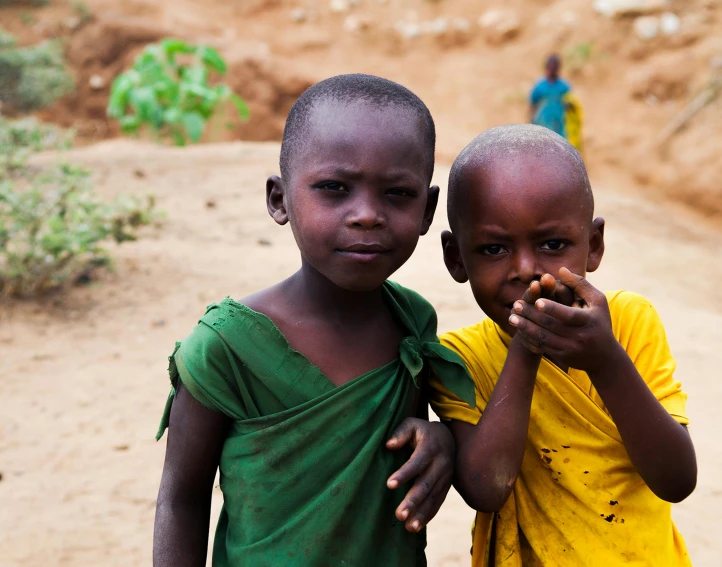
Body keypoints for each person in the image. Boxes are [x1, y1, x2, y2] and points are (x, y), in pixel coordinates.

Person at [153, 74, 475, 567]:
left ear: (429, 210)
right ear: (279, 200)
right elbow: (181, 500)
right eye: (333, 188)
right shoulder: (227, 346)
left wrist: (442, 438)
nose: (367, 214)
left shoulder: (412, 324)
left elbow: (408, 441)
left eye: (397, 194)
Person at [431, 124, 697, 566]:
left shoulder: (629, 323)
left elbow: (676, 479)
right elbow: (485, 488)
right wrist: (525, 347)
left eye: (553, 244)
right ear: (456, 258)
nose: (526, 270)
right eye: (494, 249)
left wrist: (608, 362)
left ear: (593, 246)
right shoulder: (459, 358)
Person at [529, 54, 580, 148]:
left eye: (555, 67)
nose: (552, 70)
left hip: (559, 124)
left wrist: (569, 105)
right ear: (546, 67)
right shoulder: (540, 86)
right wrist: (530, 121)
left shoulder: (564, 86)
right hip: (542, 123)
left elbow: (572, 103)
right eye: (550, 67)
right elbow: (533, 104)